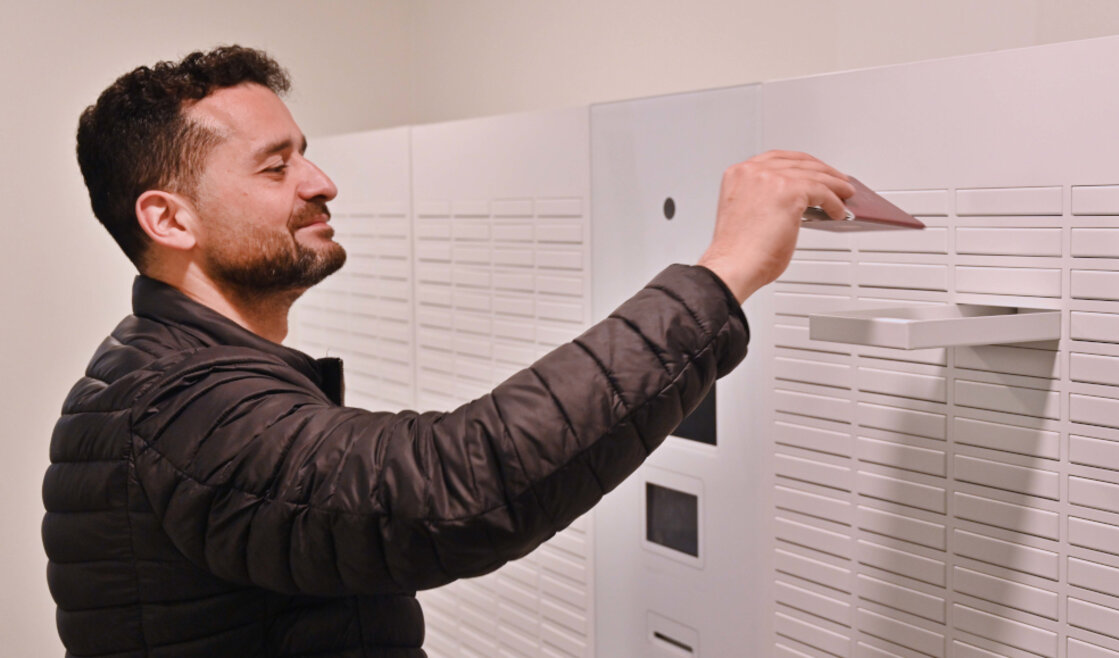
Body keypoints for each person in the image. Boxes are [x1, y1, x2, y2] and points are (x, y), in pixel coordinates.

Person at [43, 46, 854, 657]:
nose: (321, 181)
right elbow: (451, 485)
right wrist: (725, 273)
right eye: (276, 166)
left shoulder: (157, 377)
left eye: (305, 152)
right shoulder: (179, 407)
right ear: (169, 220)